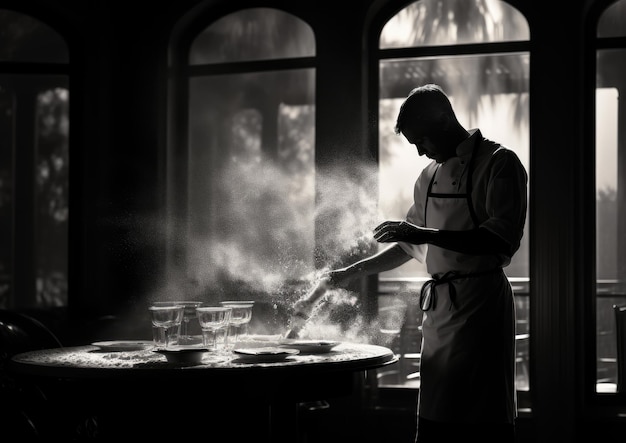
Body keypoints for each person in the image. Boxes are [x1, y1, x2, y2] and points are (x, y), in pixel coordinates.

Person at [293, 83, 528, 442]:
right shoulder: (428, 176)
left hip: (482, 308)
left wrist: (424, 234)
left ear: (445, 121)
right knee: (435, 418)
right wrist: (348, 273)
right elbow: (407, 246)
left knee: (482, 418)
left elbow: (500, 240)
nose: (420, 152)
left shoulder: (499, 163)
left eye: (423, 140)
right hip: (439, 314)